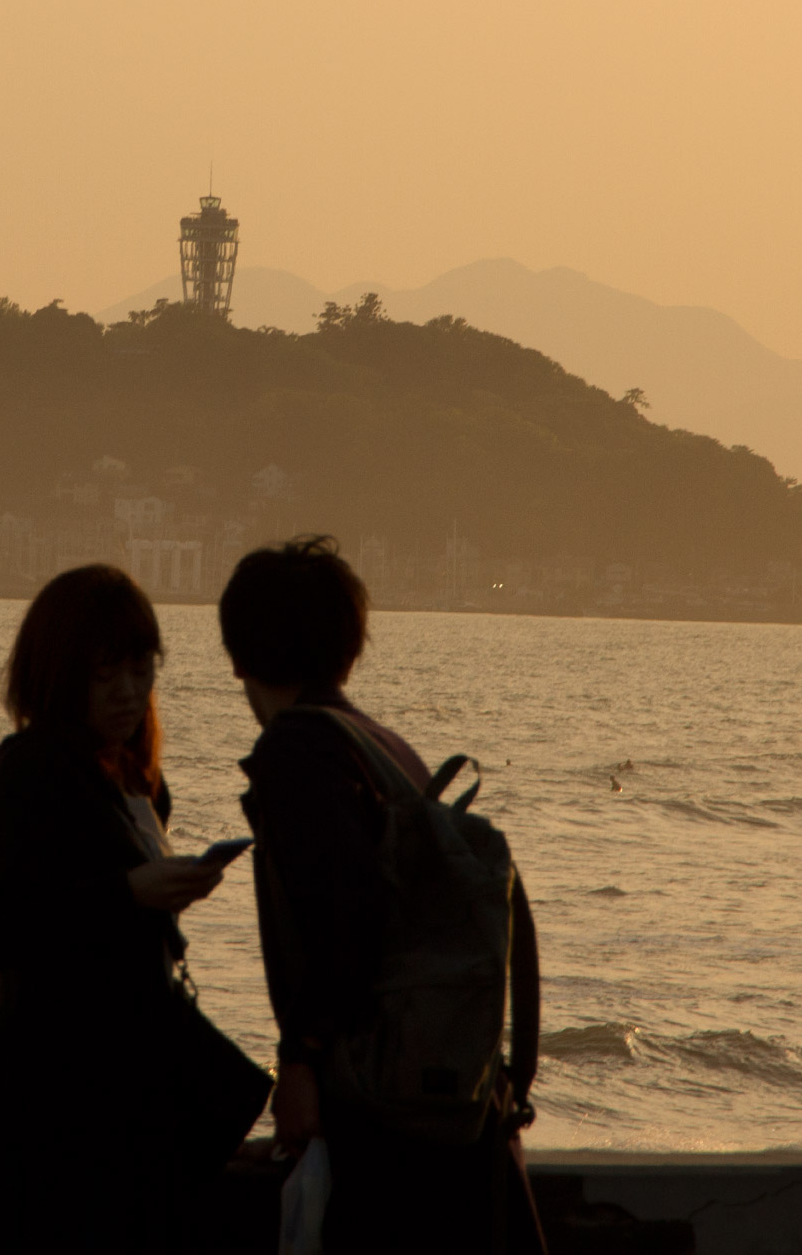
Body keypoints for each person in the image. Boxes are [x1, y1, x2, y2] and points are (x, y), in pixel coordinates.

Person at [222, 536, 544, 1253]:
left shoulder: (296, 752)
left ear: (239, 655)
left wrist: (299, 1061)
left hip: (378, 1102)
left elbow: (345, 920)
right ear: (349, 647)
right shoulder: (383, 745)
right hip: (440, 1093)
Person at [0, 564, 267, 1253]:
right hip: (46, 1127)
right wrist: (130, 893)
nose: (129, 693)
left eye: (141, 669)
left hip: (121, 1124)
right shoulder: (32, 766)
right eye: (107, 676)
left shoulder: (133, 780)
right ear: (62, 675)